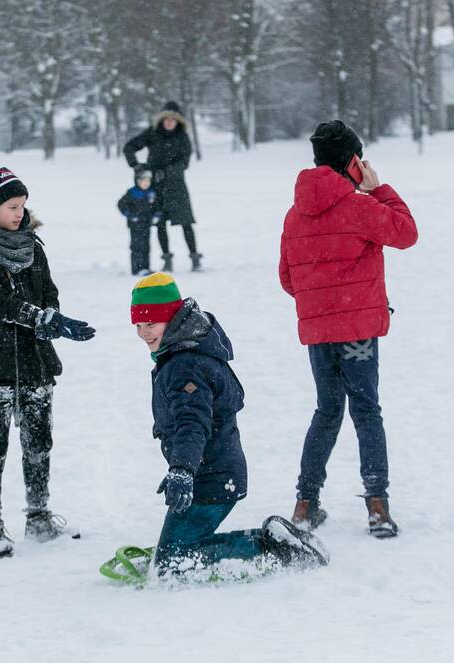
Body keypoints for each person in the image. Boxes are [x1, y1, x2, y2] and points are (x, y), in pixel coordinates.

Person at [130, 272, 328, 576]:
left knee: (172, 564)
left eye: (151, 324)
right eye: (139, 326)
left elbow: (192, 422)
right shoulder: (186, 352)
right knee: (179, 550)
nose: (144, 333)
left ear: (172, 319)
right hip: (213, 472)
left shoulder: (184, 365)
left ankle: (272, 550)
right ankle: (271, 539)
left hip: (210, 477)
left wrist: (181, 468)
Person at [278, 120, 418, 538]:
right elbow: (407, 233)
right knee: (366, 410)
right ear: (353, 161)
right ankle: (377, 507)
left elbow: (288, 278)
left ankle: (305, 506)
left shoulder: (295, 212)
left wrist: (322, 302)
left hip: (319, 332)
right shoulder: (361, 207)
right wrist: (379, 190)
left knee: (327, 410)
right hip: (357, 330)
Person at [0, 163, 96, 558]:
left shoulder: (33, 246)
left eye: (22, 205)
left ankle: (38, 517)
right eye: (11, 207)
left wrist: (51, 316)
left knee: (39, 443)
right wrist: (42, 318)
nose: (19, 213)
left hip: (36, 362)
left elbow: (49, 292)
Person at [123, 101, 201, 272]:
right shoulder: (153, 133)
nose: (168, 122)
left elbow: (184, 162)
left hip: (177, 187)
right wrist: (136, 166)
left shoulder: (183, 137)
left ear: (178, 121)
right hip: (157, 189)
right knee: (160, 224)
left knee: (186, 223)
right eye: (165, 119)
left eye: (172, 119)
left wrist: (166, 172)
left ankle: (195, 257)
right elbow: (129, 147)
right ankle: (167, 259)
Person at [116, 168, 160, 275]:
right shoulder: (132, 193)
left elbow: (157, 206)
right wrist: (130, 215)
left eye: (148, 181)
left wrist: (157, 215)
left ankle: (145, 267)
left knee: (146, 246)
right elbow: (121, 204)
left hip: (147, 224)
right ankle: (137, 269)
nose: (146, 183)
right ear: (137, 181)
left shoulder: (152, 193)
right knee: (136, 246)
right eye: (143, 181)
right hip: (135, 225)